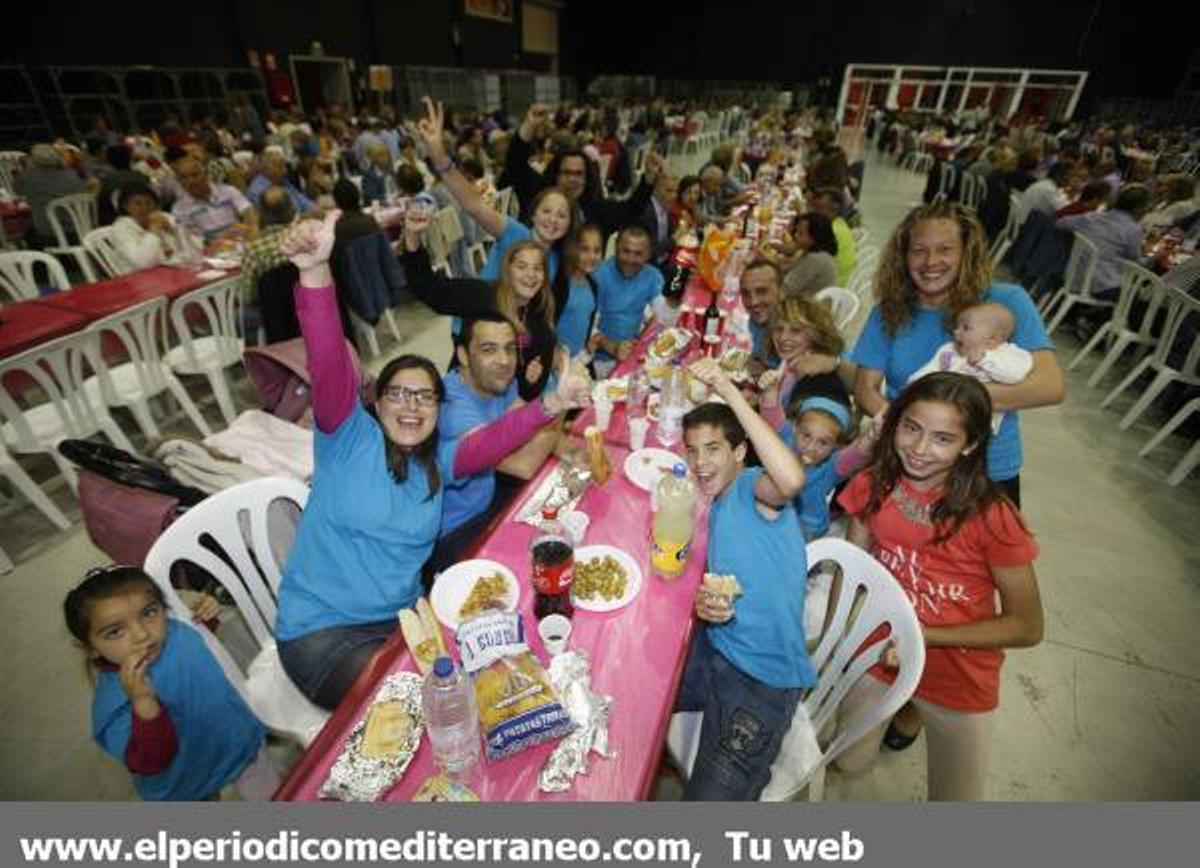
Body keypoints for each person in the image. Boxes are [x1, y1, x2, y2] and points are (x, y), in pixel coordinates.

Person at [273, 214, 590, 710]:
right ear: (377, 403)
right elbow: (328, 358)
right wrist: (314, 273)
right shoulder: (347, 438)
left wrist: (553, 403)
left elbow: (496, 439)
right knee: (429, 707)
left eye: (425, 397)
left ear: (439, 410)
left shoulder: (441, 460)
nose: (411, 406)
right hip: (324, 632)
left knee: (500, 673)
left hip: (405, 621)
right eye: (398, 394)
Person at [833, 373, 1043, 801]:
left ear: (970, 444)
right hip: (880, 654)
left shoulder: (994, 518)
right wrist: (840, 635)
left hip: (958, 675)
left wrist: (922, 637)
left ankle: (911, 712)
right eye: (911, 428)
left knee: (954, 800)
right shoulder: (873, 484)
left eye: (942, 438)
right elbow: (854, 572)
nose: (919, 448)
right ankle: (900, 710)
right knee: (849, 761)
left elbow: (1027, 626)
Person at [851, 201, 1064, 506]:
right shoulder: (890, 311)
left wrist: (949, 407)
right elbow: (865, 389)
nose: (930, 261)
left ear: (966, 253)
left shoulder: (1004, 303)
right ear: (903, 256)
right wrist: (912, 429)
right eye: (918, 250)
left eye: (945, 249)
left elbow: (1050, 386)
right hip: (910, 462)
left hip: (986, 470)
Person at [674, 358, 815, 800]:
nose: (700, 462)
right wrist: (705, 604)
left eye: (713, 448)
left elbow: (790, 480)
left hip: (762, 678)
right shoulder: (716, 504)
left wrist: (729, 391)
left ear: (739, 453)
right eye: (692, 450)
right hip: (718, 647)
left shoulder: (753, 486)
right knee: (645, 694)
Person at [63, 566, 269, 801]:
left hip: (236, 743)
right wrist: (143, 703)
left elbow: (193, 640)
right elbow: (150, 762)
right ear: (91, 648)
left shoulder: (174, 630)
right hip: (186, 783)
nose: (142, 634)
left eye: (149, 612)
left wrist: (206, 616)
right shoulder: (111, 707)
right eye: (115, 632)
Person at [425, 312, 571, 578]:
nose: (504, 360)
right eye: (488, 349)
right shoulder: (451, 407)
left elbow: (530, 424)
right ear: (463, 355)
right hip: (455, 532)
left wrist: (573, 449)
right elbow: (523, 465)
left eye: (509, 349)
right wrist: (560, 405)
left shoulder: (499, 382)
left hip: (490, 501)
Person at [401, 211, 560, 401]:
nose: (530, 275)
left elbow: (532, 388)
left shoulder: (541, 318)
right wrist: (413, 238)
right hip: (465, 396)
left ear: (544, 276)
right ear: (507, 270)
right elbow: (429, 288)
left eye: (537, 268)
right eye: (521, 266)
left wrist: (530, 381)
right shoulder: (481, 295)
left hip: (504, 405)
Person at [414, 97, 573, 285]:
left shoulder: (558, 263)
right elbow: (474, 205)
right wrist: (439, 157)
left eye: (561, 215)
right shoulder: (514, 232)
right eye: (546, 211)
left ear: (569, 223)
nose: (553, 219)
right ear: (534, 215)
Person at [500, 102, 661, 239]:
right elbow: (515, 164)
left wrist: (649, 179)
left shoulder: (596, 211)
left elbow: (631, 209)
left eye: (578, 174)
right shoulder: (539, 197)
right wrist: (529, 125)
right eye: (566, 173)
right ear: (556, 175)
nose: (572, 179)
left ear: (586, 178)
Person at [907, 302, 1034, 434]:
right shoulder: (949, 351)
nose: (956, 332)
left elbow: (1014, 376)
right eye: (956, 327)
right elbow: (928, 371)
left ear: (992, 339)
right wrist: (913, 385)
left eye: (965, 328)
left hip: (978, 420)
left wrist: (985, 360)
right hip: (940, 411)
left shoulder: (1009, 354)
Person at [772, 396, 878, 541]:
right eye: (806, 435)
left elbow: (859, 452)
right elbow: (771, 414)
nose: (810, 447)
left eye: (823, 442)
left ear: (836, 447)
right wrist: (770, 392)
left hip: (807, 531)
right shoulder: (785, 440)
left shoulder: (831, 467)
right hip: (771, 517)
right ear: (794, 428)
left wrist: (872, 436)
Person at [759, 295, 853, 413]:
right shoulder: (788, 364)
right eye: (778, 329)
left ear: (815, 335)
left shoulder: (816, 379)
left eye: (796, 330)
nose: (783, 337)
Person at [1058, 184, 1153, 301]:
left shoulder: (1091, 217)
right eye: (1147, 207)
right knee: (1142, 297)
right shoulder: (1133, 229)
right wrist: (1154, 257)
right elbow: (1134, 263)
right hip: (1101, 286)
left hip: (1070, 276)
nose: (1147, 211)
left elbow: (1060, 223)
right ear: (1138, 208)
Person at [589, 224, 663, 368]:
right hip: (598, 359)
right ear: (616, 247)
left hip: (633, 355)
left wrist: (641, 341)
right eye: (626, 251)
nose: (630, 259)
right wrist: (613, 347)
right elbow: (586, 325)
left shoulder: (653, 276)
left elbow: (662, 315)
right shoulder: (598, 274)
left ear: (648, 254)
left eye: (638, 254)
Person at [238, 186, 296, 326]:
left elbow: (248, 297)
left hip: (274, 315)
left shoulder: (253, 249)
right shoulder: (306, 236)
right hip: (309, 305)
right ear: (292, 210)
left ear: (261, 214)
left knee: (235, 316)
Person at [110, 183, 200, 270]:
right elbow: (143, 263)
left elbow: (197, 246)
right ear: (126, 207)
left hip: (171, 270)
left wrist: (173, 232)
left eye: (148, 203)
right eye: (137, 203)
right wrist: (153, 231)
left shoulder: (164, 217)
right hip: (138, 276)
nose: (144, 208)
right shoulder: (121, 229)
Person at [170, 155, 257, 245]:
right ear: (178, 181)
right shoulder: (179, 209)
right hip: (215, 249)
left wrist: (251, 233)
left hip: (242, 239)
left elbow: (249, 213)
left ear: (206, 174)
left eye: (194, 175)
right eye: (183, 178)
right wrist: (221, 242)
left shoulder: (228, 191)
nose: (190, 181)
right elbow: (197, 241)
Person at [13, 143, 88, 246]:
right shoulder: (71, 174)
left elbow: (17, 191)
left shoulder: (27, 177)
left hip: (50, 236)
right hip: (81, 230)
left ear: (33, 160)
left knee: (25, 230)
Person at [558, 224, 602, 357]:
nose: (592, 256)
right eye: (584, 249)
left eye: (597, 251)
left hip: (577, 358)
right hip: (556, 360)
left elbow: (586, 319)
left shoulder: (593, 285)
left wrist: (588, 341)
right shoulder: (561, 284)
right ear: (572, 250)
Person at [776, 211, 839, 298]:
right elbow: (792, 266)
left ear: (815, 238)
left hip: (806, 304)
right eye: (796, 231)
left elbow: (785, 290)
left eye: (800, 234)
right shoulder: (818, 253)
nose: (795, 235)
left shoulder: (815, 259)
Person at [739, 259, 783, 375]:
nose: (753, 302)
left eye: (762, 291)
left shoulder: (794, 331)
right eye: (745, 293)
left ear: (781, 291)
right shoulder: (752, 322)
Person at [809, 188, 856, 285]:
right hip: (842, 279)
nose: (814, 213)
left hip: (833, 285)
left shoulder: (831, 231)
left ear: (835, 208)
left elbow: (810, 263)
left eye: (819, 208)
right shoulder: (840, 223)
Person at [246, 151, 314, 214]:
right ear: (267, 170)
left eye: (284, 166)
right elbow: (275, 217)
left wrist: (315, 210)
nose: (285, 171)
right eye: (280, 167)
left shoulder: (283, 182)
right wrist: (304, 216)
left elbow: (304, 202)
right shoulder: (257, 190)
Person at [1015, 160, 1074, 224]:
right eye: (1069, 175)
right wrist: (1073, 193)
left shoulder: (1046, 184)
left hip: (1027, 222)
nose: (1071, 179)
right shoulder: (1049, 189)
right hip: (1029, 225)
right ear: (1058, 175)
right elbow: (1066, 211)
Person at [359, 141, 396, 206]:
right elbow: (372, 196)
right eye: (380, 155)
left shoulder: (391, 171)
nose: (385, 158)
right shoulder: (369, 175)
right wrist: (388, 198)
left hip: (394, 203)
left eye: (386, 154)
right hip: (379, 207)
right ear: (373, 158)